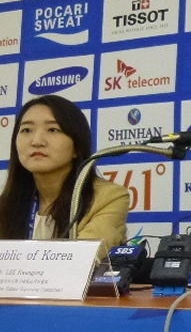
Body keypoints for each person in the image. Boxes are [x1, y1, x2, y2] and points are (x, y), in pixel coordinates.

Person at [0, 95, 130, 253]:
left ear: (76, 146)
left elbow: (81, 260)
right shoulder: (6, 205)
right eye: (27, 130)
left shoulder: (108, 197)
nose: (36, 141)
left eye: (52, 130)